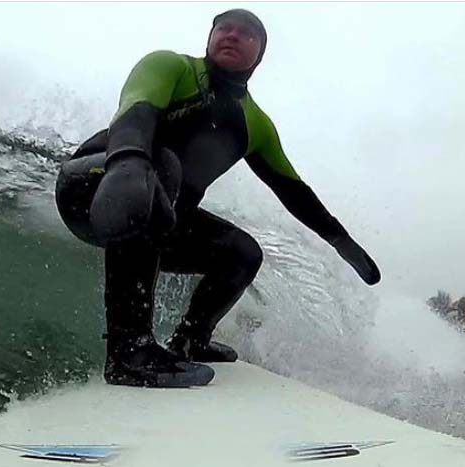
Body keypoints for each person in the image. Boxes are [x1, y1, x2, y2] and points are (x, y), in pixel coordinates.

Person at [55, 9, 381, 388]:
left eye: (247, 34)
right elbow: (137, 109)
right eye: (224, 28)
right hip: (93, 185)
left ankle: (191, 340)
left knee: (242, 253)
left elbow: (293, 191)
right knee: (163, 165)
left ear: (259, 55)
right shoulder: (171, 67)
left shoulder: (255, 123)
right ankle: (129, 353)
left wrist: (341, 241)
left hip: (161, 212)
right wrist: (128, 160)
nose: (232, 35)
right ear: (209, 38)